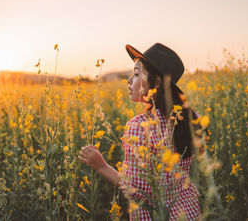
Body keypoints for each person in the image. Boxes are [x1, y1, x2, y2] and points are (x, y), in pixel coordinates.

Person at [78, 43, 201, 220]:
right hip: (188, 211)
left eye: (136, 74)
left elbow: (137, 191)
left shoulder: (139, 126)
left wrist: (100, 165)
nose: (129, 81)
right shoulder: (189, 117)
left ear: (157, 82)